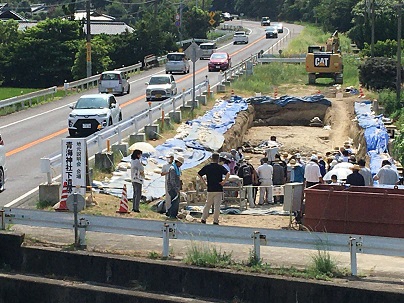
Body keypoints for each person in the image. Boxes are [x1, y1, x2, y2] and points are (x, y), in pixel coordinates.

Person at [198, 152, 230, 225]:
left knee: (207, 204)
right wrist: (224, 181)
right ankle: (215, 220)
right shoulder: (220, 167)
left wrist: (204, 182)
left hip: (210, 188)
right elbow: (228, 173)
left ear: (211, 158)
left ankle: (203, 219)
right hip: (218, 188)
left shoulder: (207, 167)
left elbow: (199, 174)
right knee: (217, 206)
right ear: (218, 159)